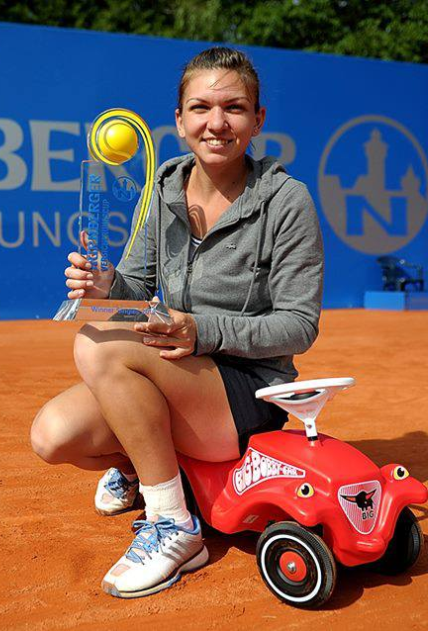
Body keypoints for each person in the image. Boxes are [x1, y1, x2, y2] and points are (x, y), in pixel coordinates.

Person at [30, 47, 324, 599]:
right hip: (181, 371)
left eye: (234, 108)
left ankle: (174, 522)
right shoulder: (164, 188)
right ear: (180, 122)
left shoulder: (289, 201)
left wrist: (203, 330)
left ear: (258, 120)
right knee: (52, 436)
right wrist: (107, 286)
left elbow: (299, 324)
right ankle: (149, 467)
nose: (217, 123)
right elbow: (137, 293)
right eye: (201, 108)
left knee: (99, 345)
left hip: (249, 393)